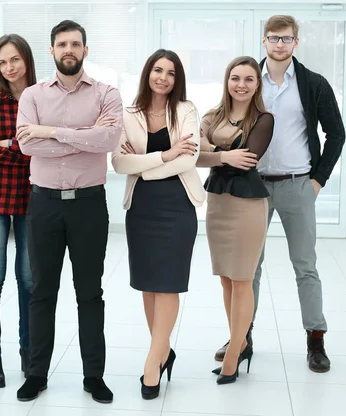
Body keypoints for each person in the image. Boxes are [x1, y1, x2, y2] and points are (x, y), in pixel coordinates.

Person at [212, 15, 346, 374]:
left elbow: (337, 134)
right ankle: (242, 339)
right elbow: (222, 124)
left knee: (305, 266)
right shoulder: (246, 81)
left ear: (295, 43)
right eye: (273, 38)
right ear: (264, 41)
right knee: (247, 268)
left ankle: (315, 340)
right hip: (251, 187)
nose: (279, 44)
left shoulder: (314, 84)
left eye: (286, 39)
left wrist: (316, 181)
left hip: (297, 184)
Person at [14, 20, 123, 403]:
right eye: (62, 44)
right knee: (42, 292)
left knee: (89, 293)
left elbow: (109, 139)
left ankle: (94, 376)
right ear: (52, 51)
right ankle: (36, 374)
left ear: (85, 50)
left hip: (89, 206)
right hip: (43, 205)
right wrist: (81, 137)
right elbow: (27, 146)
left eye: (76, 44)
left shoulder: (106, 93)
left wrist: (52, 132)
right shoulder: (32, 95)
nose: (69, 50)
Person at [111, 49, 204, 399]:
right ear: (147, 73)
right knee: (149, 285)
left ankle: (153, 362)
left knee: (168, 285)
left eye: (170, 72)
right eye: (157, 70)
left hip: (178, 205)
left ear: (177, 79)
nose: (162, 77)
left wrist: (145, 166)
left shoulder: (186, 110)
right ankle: (163, 350)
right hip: (142, 208)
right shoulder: (128, 113)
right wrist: (165, 155)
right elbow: (119, 164)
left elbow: (189, 160)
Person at [198, 56, 274, 384]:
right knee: (225, 279)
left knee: (242, 279)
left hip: (247, 207)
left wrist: (213, 149)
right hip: (217, 203)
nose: (241, 84)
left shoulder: (264, 119)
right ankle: (239, 340)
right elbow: (192, 154)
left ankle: (233, 356)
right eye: (235, 78)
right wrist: (224, 153)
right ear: (227, 81)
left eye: (248, 79)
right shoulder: (212, 115)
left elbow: (248, 159)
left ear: (257, 85)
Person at [0, 34, 36, 388]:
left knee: (28, 281)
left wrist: (11, 144)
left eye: (14, 59)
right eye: (2, 62)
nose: (9, 67)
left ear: (26, 59)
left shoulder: (41, 98)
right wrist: (22, 144)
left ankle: (28, 352)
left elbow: (44, 146)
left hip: (32, 198)